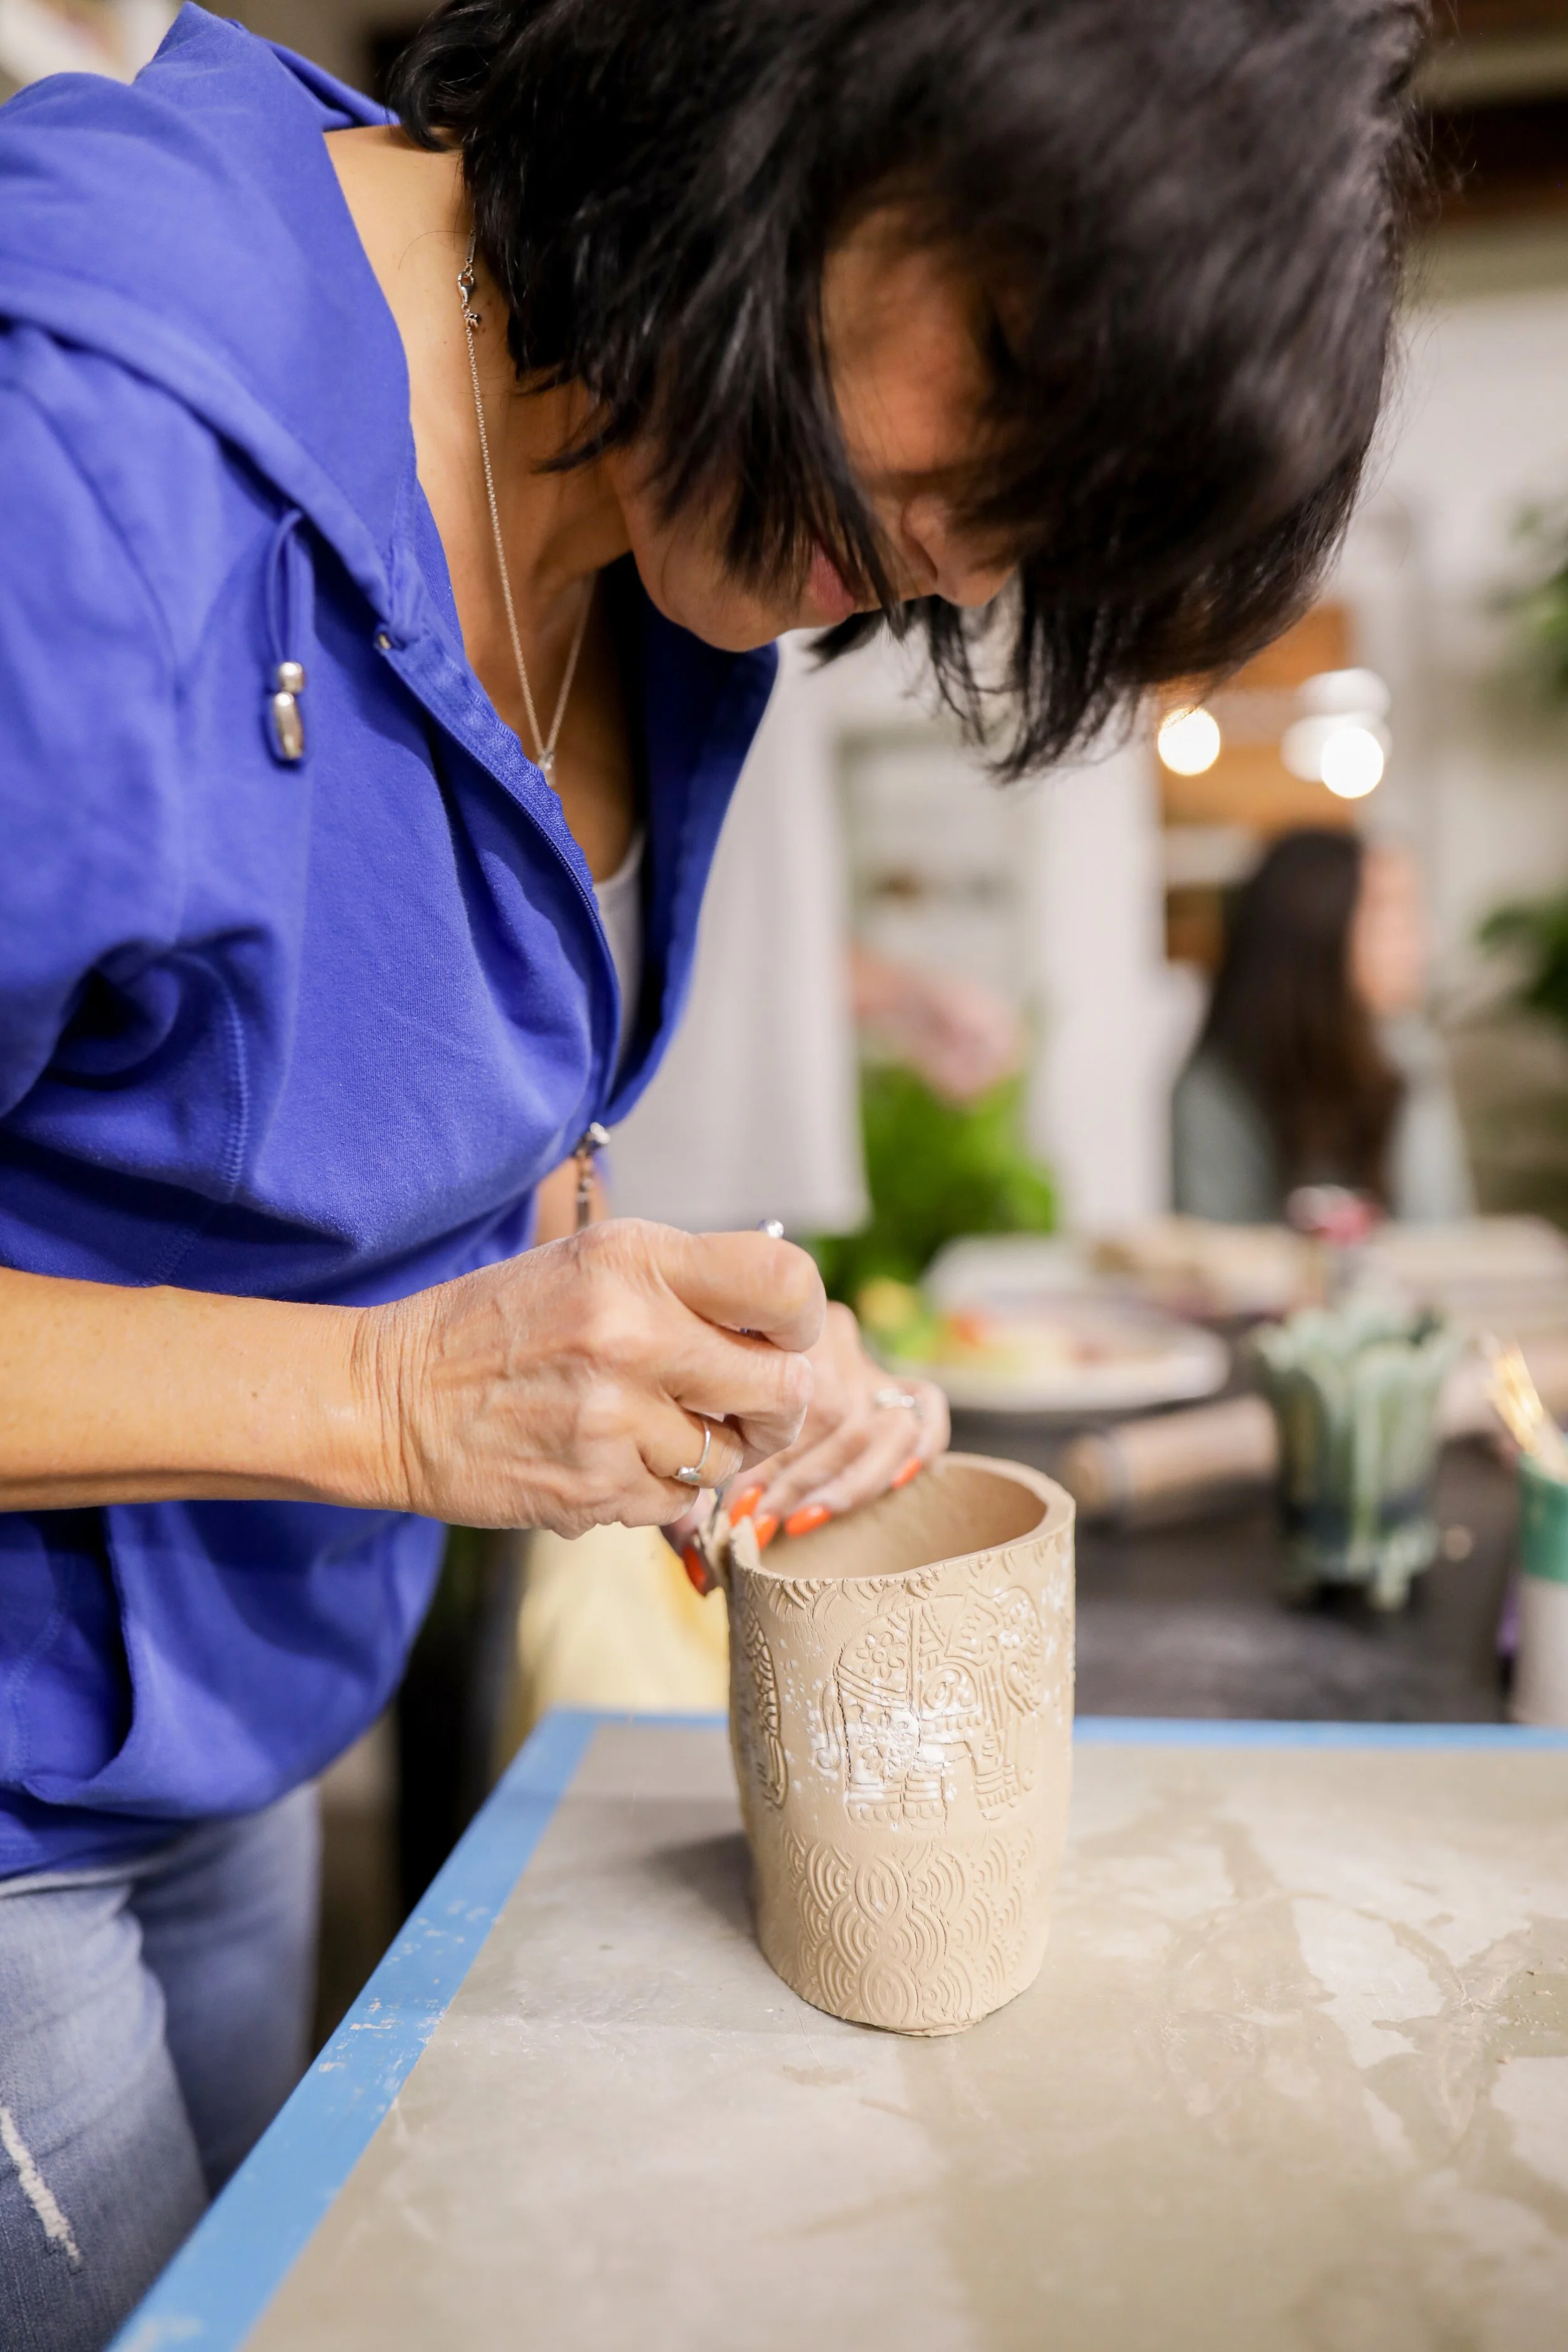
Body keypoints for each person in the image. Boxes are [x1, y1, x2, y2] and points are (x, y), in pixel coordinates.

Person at [0, 0, 1420, 2341]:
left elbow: (313, 1101)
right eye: (1001, 390)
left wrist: (599, 1304)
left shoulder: (687, 519)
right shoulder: (91, 445)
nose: (950, 573)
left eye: (1028, 543)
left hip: (234, 1743)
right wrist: (395, 1406)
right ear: (800, 77)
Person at [1172, 830, 1475, 1224]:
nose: (1423, 940)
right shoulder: (1216, 1087)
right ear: (1318, 927)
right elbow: (1219, 1259)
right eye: (1393, 915)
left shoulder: (1403, 1052)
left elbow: (1441, 1234)